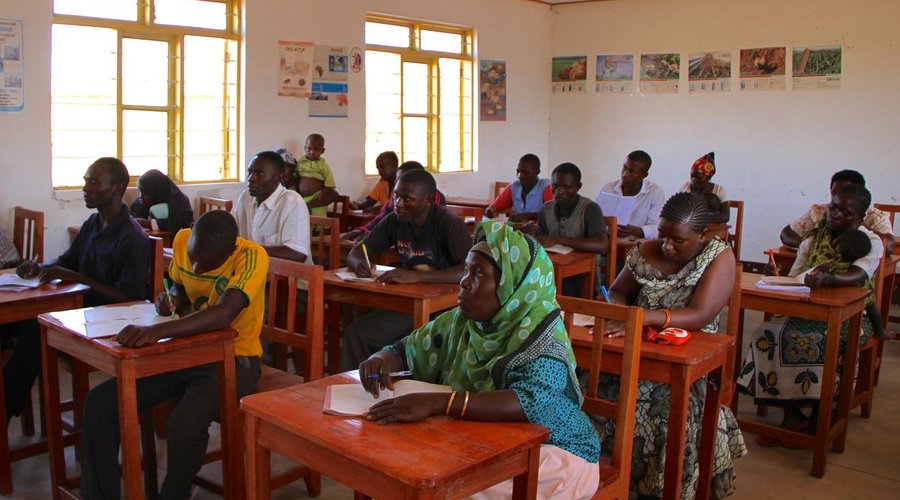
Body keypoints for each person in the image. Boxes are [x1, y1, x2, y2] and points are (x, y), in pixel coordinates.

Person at [359, 221, 600, 499]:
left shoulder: (542, 335)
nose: (464, 281)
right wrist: (382, 358)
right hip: (486, 442)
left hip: (555, 453)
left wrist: (438, 403)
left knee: (445, 485)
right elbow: (407, 349)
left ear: (511, 286)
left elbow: (531, 401)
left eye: (479, 273)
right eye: (465, 270)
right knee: (402, 465)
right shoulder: (462, 322)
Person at [80, 210, 268, 500]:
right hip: (186, 352)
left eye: (205, 264)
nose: (195, 265)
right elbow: (178, 284)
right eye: (193, 257)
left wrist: (154, 332)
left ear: (231, 250)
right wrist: (171, 298)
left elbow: (224, 313)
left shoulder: (251, 256)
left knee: (183, 424)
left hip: (234, 360)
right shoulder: (182, 240)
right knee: (101, 403)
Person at [598, 192, 745, 499]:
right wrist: (620, 309)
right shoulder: (645, 251)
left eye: (678, 240)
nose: (666, 245)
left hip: (689, 362)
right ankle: (598, 481)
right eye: (663, 235)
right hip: (637, 349)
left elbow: (699, 314)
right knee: (583, 388)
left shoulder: (718, 258)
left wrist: (639, 318)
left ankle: (660, 489)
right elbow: (616, 291)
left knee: (667, 410)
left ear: (703, 235)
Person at [7, 157, 150, 425]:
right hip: (79, 312)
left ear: (118, 188)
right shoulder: (93, 224)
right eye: (85, 181)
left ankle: (4, 411)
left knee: (34, 335)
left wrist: (76, 278)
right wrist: (39, 266)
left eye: (95, 182)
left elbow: (131, 299)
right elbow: (66, 260)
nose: (86, 188)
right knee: (10, 326)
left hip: (107, 320)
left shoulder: (132, 237)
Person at [737, 183, 883, 439]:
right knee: (766, 334)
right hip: (807, 310)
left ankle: (821, 415)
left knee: (823, 342)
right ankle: (791, 414)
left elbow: (858, 274)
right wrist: (777, 277)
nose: (835, 215)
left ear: (860, 218)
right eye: (833, 208)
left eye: (846, 213)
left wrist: (829, 280)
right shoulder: (813, 237)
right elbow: (796, 276)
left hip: (852, 315)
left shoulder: (869, 241)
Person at [339, 168, 471, 370]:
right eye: (396, 196)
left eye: (407, 199)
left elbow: (467, 270)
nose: (398, 204)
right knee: (357, 334)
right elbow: (359, 250)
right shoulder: (394, 221)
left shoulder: (449, 223)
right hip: (410, 303)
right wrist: (359, 264)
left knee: (418, 346)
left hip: (447, 307)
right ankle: (353, 390)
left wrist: (418, 276)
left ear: (428, 200)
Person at [531, 162, 608, 297]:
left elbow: (601, 245)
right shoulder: (546, 208)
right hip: (550, 268)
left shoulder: (590, 208)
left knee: (566, 288)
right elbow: (541, 240)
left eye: (566, 186)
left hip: (582, 274)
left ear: (578, 186)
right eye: (555, 186)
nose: (559, 191)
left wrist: (558, 240)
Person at [780, 169, 894, 254]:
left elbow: (888, 247)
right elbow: (786, 234)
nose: (836, 212)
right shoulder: (820, 211)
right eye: (836, 193)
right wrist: (810, 247)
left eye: (847, 193)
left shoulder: (875, 217)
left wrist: (858, 226)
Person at [232, 151, 310, 262]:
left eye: (259, 174)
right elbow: (230, 232)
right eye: (249, 172)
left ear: (279, 176)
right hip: (251, 271)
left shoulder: (292, 201)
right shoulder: (246, 197)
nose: (251, 178)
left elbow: (298, 254)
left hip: (287, 277)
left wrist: (249, 250)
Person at [341, 161, 448, 242]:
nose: (397, 183)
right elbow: (382, 217)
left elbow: (428, 230)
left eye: (402, 180)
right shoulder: (397, 197)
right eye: (397, 180)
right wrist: (364, 230)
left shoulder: (434, 198)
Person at [827, 228, 887, 339]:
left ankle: (880, 330)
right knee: (872, 306)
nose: (834, 244)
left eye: (836, 244)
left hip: (852, 293)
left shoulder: (835, 262)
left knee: (871, 304)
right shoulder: (851, 258)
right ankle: (880, 330)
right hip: (863, 292)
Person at [596, 150, 666, 239]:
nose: (625, 174)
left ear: (644, 175)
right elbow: (596, 219)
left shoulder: (655, 193)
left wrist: (634, 230)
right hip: (608, 241)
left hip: (638, 247)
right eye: (624, 168)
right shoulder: (609, 188)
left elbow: (658, 228)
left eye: (632, 172)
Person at [483, 153, 552, 221]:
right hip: (518, 230)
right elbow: (493, 208)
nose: (520, 176)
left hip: (541, 231)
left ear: (537, 172)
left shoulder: (546, 186)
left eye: (525, 173)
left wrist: (524, 216)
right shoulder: (514, 187)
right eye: (518, 172)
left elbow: (552, 214)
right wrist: (489, 212)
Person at [129, 169, 194, 232]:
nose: (140, 196)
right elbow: (133, 216)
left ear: (156, 191)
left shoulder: (180, 202)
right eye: (140, 192)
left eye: (145, 193)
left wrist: (148, 223)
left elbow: (177, 224)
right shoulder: (142, 200)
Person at [678, 152, 730, 223]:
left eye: (699, 177)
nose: (693, 180)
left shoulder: (719, 190)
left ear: (708, 177)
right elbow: (677, 208)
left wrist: (698, 220)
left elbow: (725, 216)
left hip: (714, 229)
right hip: (690, 229)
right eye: (692, 176)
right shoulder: (686, 187)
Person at [296, 133, 338, 217]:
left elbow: (329, 184)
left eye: (316, 149)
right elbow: (296, 177)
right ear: (305, 148)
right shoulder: (300, 163)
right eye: (309, 148)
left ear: (322, 151)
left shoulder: (324, 167)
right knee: (302, 216)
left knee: (319, 216)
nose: (312, 152)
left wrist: (322, 195)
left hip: (317, 198)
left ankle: (320, 230)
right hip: (302, 198)